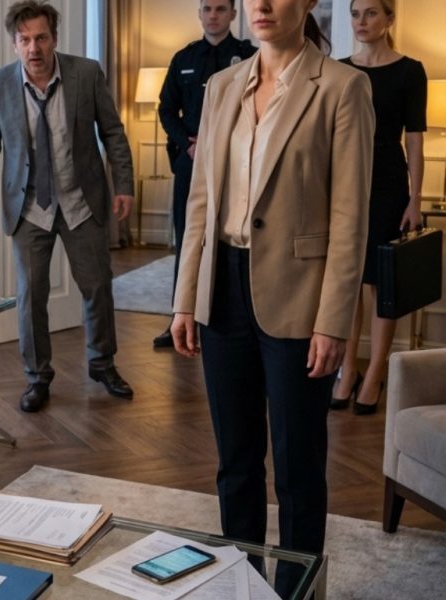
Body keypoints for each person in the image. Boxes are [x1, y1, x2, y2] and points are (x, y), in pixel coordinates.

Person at [170, 0, 374, 595]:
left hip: (300, 297)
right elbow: (201, 202)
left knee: (298, 469)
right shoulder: (221, 86)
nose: (259, 5)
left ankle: (295, 591)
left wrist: (333, 320)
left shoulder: (342, 88)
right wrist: (185, 298)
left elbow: (350, 218)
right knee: (235, 464)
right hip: (222, 291)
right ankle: (243, 584)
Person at [0, 0, 136, 412]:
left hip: (82, 201)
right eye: (25, 40)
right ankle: (37, 377)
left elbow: (113, 133)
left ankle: (102, 363)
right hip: (29, 207)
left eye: (41, 38)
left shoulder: (86, 73)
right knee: (31, 296)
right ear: (14, 44)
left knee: (97, 286)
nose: (34, 48)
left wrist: (124, 186)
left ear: (55, 39)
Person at [331, 0, 426, 415]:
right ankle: (347, 369)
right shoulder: (338, 69)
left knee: (382, 282)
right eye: (355, 14)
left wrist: (415, 199)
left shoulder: (410, 71)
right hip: (344, 182)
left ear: (389, 19)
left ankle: (374, 373)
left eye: (371, 13)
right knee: (347, 281)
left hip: (388, 184)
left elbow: (415, 140)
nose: (361, 22)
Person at [153, 0, 256, 348]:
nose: (213, 15)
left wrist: (217, 145)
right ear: (200, 14)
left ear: (233, 15)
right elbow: (167, 110)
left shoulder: (248, 56)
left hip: (235, 163)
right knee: (188, 238)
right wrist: (188, 144)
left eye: (220, 9)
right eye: (207, 9)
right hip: (191, 160)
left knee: (228, 238)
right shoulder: (184, 58)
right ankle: (178, 318)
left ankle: (222, 317)